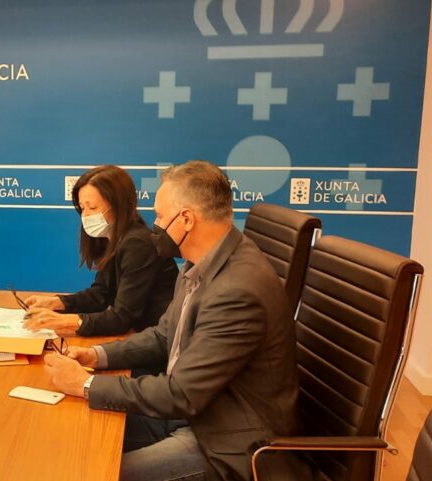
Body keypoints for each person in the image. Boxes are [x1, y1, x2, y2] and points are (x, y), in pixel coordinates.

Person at [43, 161, 310, 481]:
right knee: (73, 432)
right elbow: (162, 335)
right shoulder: (202, 263)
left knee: (94, 473)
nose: (155, 225)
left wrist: (85, 384)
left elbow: (182, 393)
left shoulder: (237, 291)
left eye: (160, 216)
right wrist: (96, 356)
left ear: (186, 219)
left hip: (226, 443)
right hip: (197, 414)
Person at [22, 165, 177, 336]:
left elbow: (122, 317)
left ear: (118, 205)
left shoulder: (138, 244)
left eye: (92, 208)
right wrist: (57, 303)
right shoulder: (113, 238)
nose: (85, 216)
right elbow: (101, 294)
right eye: (82, 208)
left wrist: (66, 321)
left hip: (158, 341)